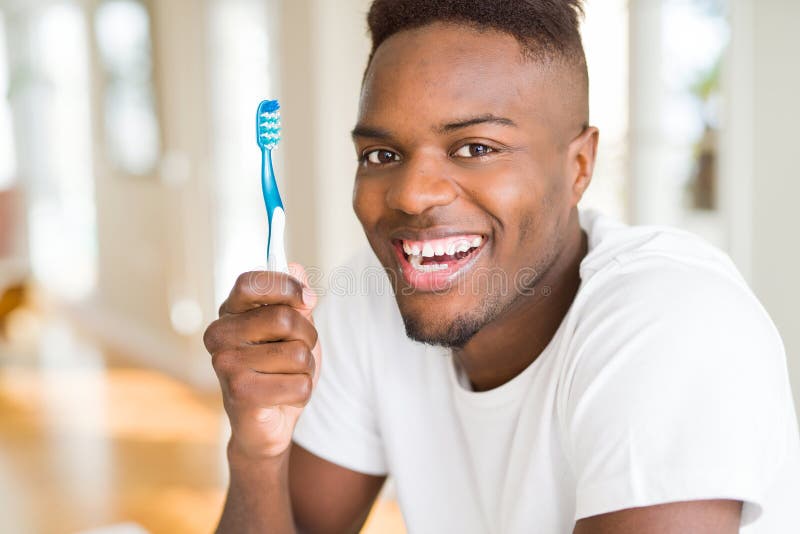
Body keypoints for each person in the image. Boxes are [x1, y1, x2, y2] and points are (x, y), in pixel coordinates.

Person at [203, 1, 800, 532]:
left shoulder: (671, 323)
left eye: (475, 148)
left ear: (579, 167)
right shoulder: (370, 302)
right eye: (382, 154)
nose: (411, 195)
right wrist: (257, 451)